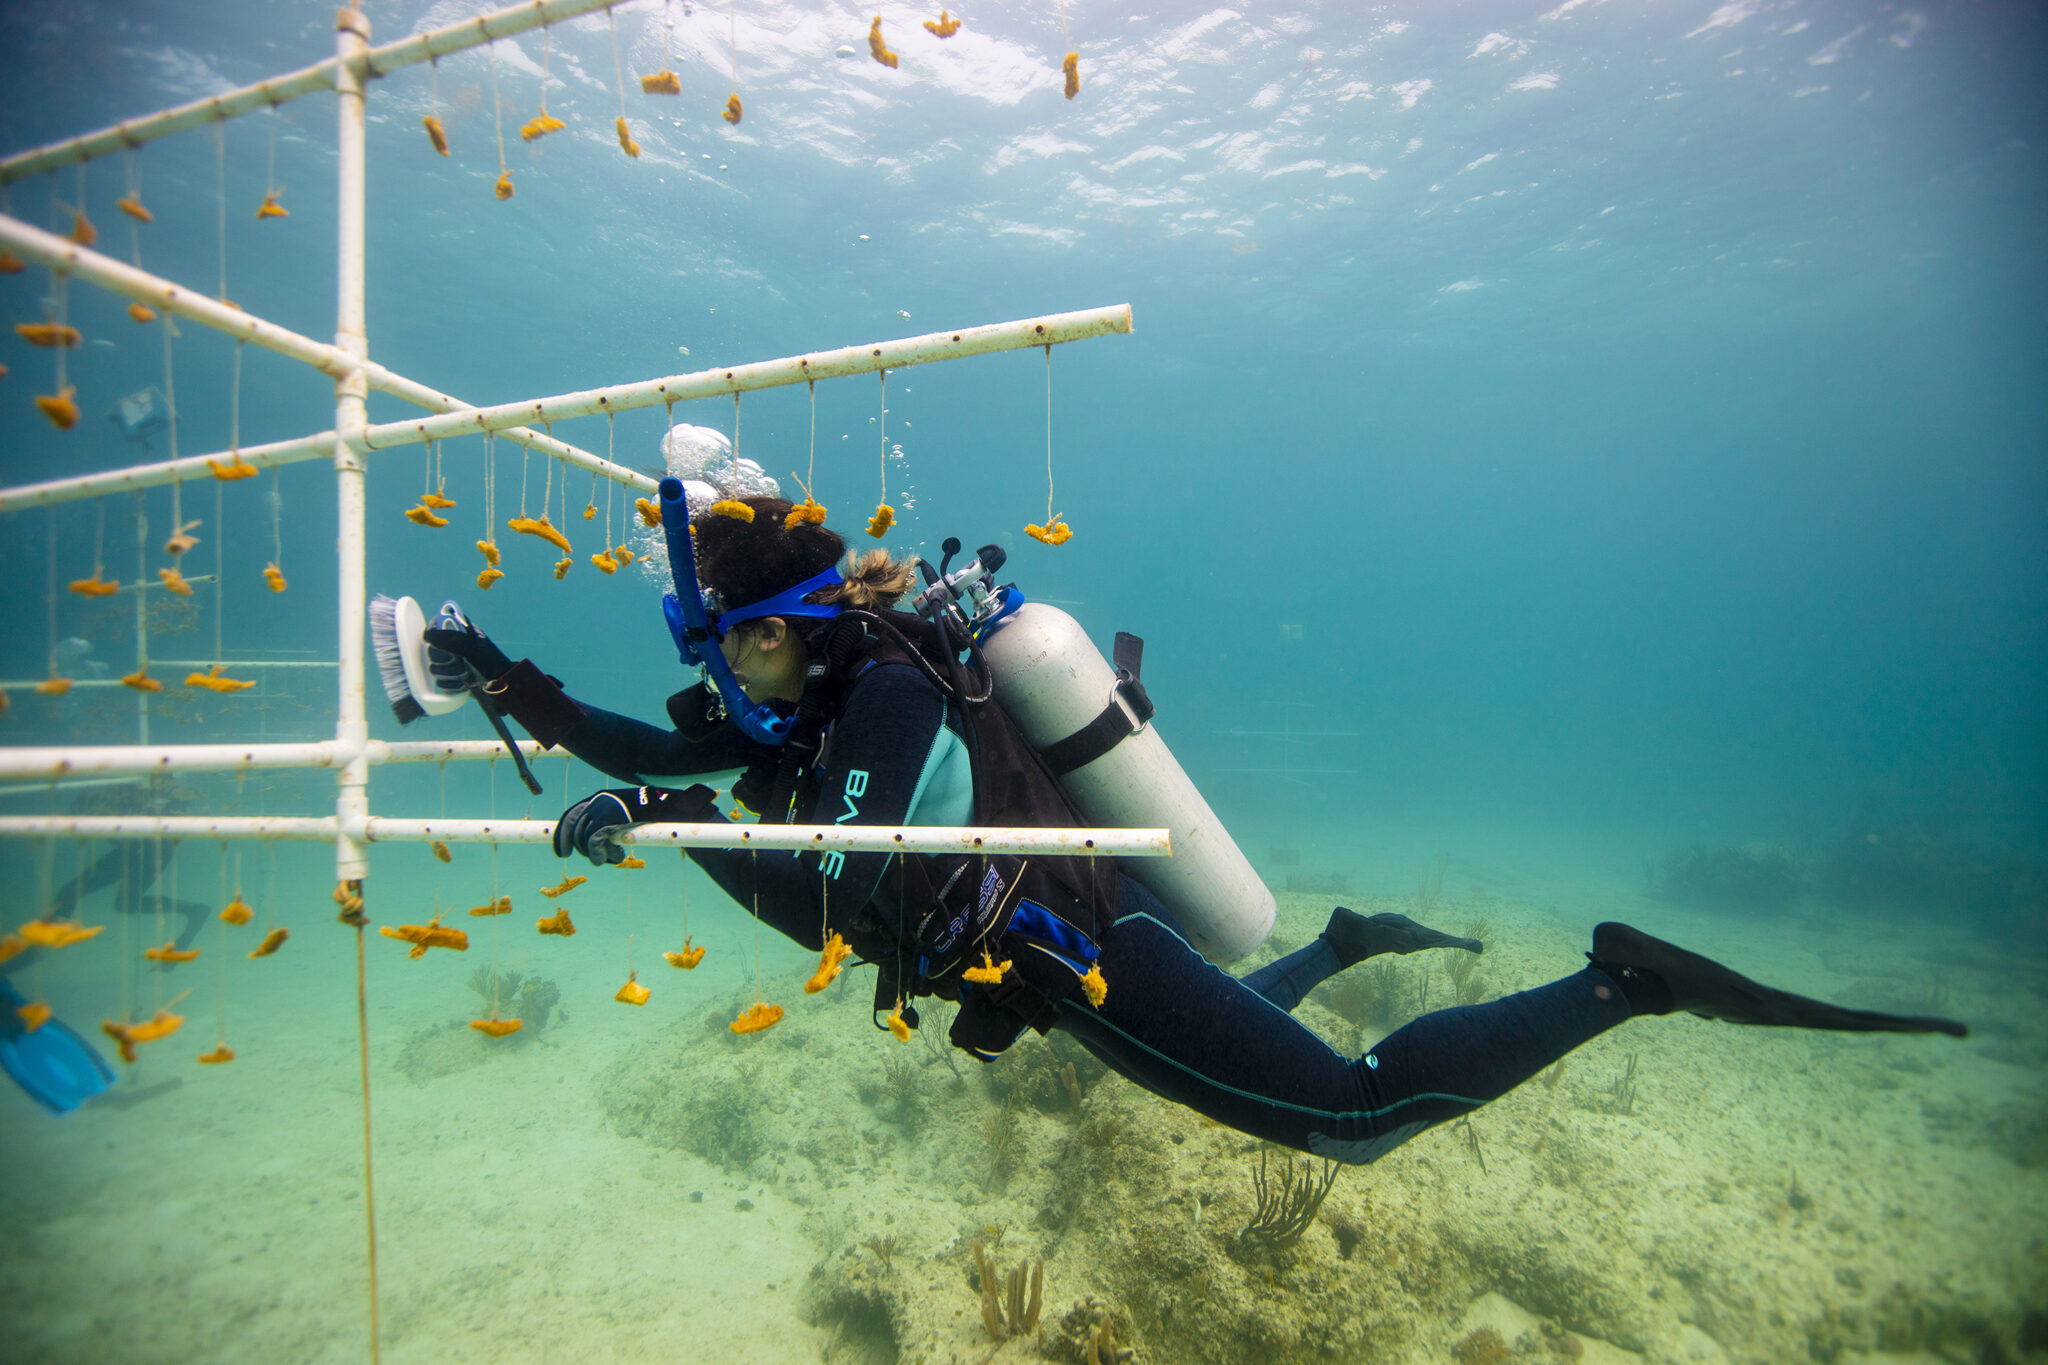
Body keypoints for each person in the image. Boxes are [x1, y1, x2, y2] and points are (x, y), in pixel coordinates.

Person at [425, 493, 1966, 1166]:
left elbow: (843, 879)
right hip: (1066, 952)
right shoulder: (805, 696)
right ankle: (1350, 937)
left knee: (1349, 1119)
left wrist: (680, 822)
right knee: (1249, 1017)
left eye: (733, 648)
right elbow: (652, 742)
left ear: (792, 620)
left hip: (1082, 947)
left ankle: (1622, 979)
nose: (718, 681)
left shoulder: (876, 697)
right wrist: (510, 683)